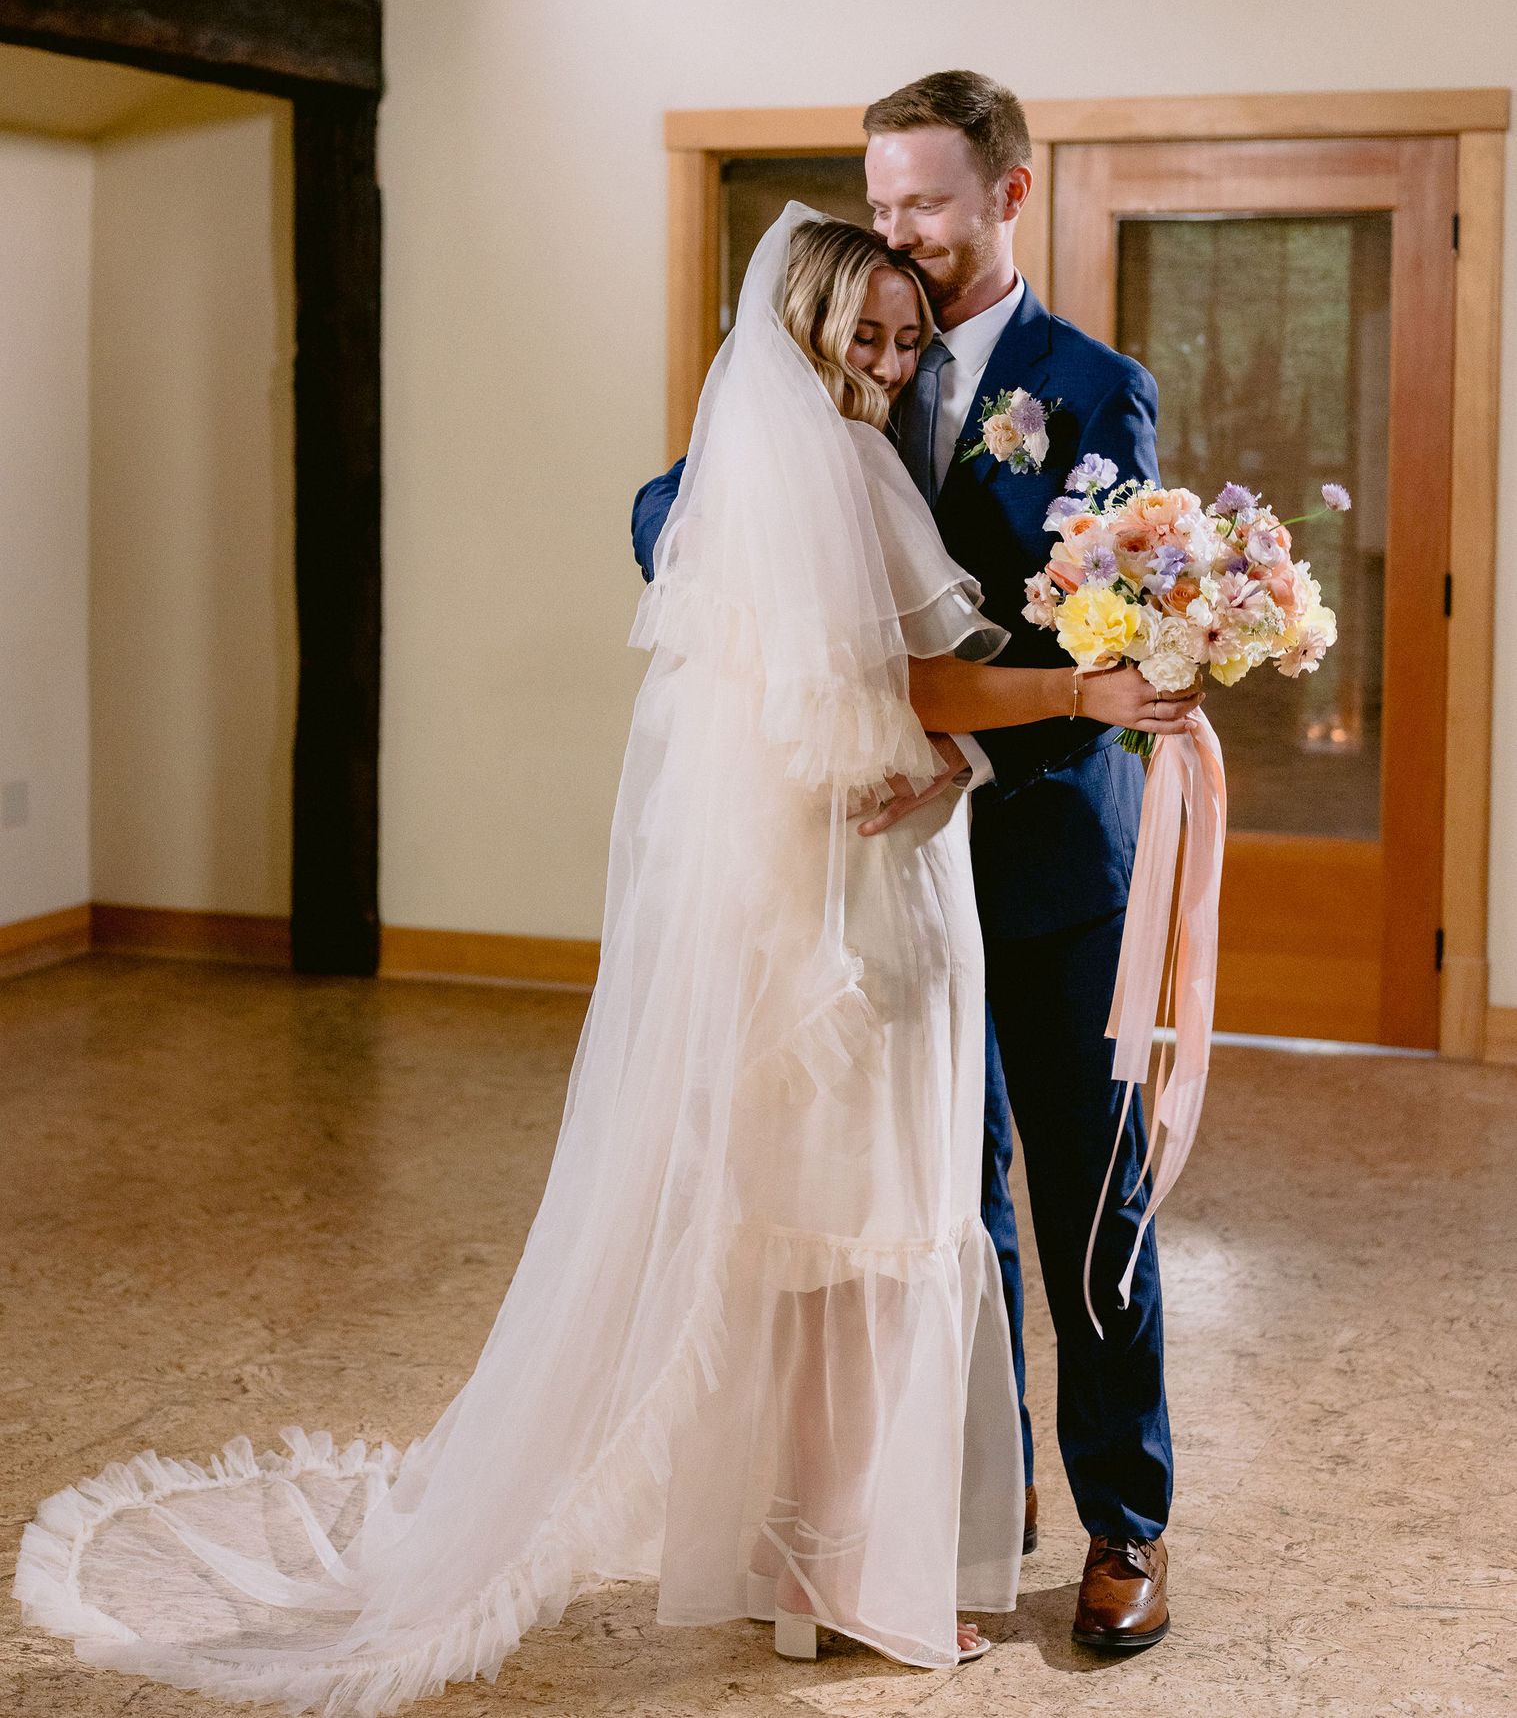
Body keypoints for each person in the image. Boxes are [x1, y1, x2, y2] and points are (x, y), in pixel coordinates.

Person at [13, 206, 1191, 1713]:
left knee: (840, 1245)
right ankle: (836, 1559)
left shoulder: (877, 445)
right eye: (867, 339)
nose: (891, 369)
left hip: (885, 884)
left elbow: (866, 692)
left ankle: (809, 1554)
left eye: (905, 342)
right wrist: (1081, 699)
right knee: (856, 1244)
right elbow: (897, 671)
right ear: (801, 337)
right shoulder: (807, 469)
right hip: (857, 922)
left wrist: (954, 756)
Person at [632, 71, 1186, 1653]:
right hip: (883, 878)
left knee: (1087, 1199)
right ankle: (970, 1489)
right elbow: (671, 510)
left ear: (1007, 196)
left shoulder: (1087, 385)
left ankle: (1122, 1525)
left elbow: (1115, 621)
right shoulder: (813, 358)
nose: (899, 234)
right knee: (942, 1200)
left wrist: (969, 739)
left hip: (1046, 858)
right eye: (879, 205)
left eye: (926, 204)